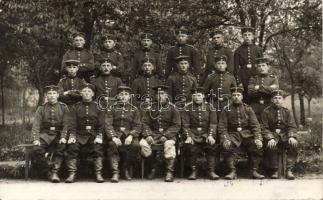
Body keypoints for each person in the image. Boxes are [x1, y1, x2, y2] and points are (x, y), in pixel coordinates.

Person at [218, 86, 264, 180]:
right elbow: (222, 127)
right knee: (227, 145)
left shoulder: (248, 109)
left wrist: (258, 138)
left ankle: (254, 170)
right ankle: (232, 171)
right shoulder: (226, 109)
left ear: (242, 96)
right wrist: (225, 139)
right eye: (234, 95)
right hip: (232, 135)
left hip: (247, 135)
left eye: (238, 95)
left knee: (256, 145)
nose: (236, 97)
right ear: (231, 97)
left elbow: (255, 125)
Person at [65, 83, 105, 183]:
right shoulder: (76, 107)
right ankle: (72, 174)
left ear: (92, 94)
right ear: (81, 94)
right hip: (79, 134)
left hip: (93, 134)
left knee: (97, 148)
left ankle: (98, 174)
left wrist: (99, 136)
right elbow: (72, 124)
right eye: (84, 91)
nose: (86, 93)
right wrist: (72, 136)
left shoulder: (98, 107)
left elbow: (102, 124)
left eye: (89, 91)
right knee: (72, 147)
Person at [140, 85, 181, 182]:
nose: (160, 96)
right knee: (143, 144)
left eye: (162, 94)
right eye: (158, 94)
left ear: (166, 96)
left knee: (169, 144)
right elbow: (144, 123)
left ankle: (169, 172)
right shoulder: (150, 108)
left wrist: (166, 135)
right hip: (153, 134)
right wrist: (148, 134)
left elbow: (177, 125)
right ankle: (153, 168)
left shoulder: (173, 108)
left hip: (168, 135)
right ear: (155, 96)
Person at [31, 85, 69, 182]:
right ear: (46, 96)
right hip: (45, 135)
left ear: (58, 95)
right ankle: (49, 172)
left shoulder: (63, 107)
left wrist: (64, 137)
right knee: (36, 149)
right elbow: (36, 125)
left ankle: (55, 172)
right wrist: (35, 139)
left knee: (62, 146)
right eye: (49, 94)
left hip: (58, 134)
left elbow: (66, 124)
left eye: (54, 93)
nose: (52, 95)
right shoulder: (41, 108)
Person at [105, 86, 142, 182]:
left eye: (126, 94)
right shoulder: (112, 108)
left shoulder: (134, 109)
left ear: (129, 97)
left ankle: (125, 168)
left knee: (136, 146)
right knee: (112, 145)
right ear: (117, 96)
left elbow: (138, 125)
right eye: (121, 94)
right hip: (116, 134)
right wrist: (113, 136)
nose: (123, 96)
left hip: (129, 134)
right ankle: (115, 172)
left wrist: (130, 135)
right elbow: (108, 124)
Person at [181, 87, 219, 180]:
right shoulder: (187, 107)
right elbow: (185, 124)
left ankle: (211, 171)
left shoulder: (210, 107)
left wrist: (211, 135)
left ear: (203, 96)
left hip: (206, 134)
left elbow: (213, 123)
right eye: (194, 96)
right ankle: (193, 171)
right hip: (193, 134)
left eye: (199, 95)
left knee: (211, 146)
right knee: (190, 147)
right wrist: (188, 136)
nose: (196, 98)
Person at [260, 89, 298, 179]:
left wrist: (291, 136)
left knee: (293, 144)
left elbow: (292, 126)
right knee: (271, 145)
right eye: (275, 98)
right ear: (272, 100)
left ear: (282, 100)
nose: (277, 100)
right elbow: (263, 127)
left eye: (279, 98)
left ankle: (289, 169)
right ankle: (274, 170)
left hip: (285, 135)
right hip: (272, 134)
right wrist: (270, 138)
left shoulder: (287, 111)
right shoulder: (266, 112)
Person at [233, 27, 263, 103]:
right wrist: (239, 81)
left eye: (249, 35)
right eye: (245, 35)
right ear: (242, 37)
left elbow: (262, 64)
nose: (247, 36)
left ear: (253, 37)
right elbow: (236, 68)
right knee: (245, 97)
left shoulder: (258, 49)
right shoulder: (238, 50)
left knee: (257, 96)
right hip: (243, 76)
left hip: (255, 75)